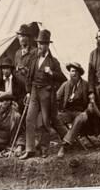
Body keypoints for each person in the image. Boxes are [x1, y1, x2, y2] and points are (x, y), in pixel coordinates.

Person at [20, 29, 68, 159]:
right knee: (29, 118)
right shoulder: (34, 59)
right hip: (34, 91)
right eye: (38, 43)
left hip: (46, 92)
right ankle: (30, 149)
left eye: (42, 44)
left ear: (47, 45)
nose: (39, 46)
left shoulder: (53, 62)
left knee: (46, 121)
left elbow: (63, 78)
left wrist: (52, 73)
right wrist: (28, 92)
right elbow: (29, 76)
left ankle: (44, 148)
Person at [55, 62, 96, 157]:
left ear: (79, 73)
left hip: (81, 112)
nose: (73, 73)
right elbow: (56, 98)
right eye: (71, 71)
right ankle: (70, 138)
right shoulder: (65, 85)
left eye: (75, 71)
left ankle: (65, 145)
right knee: (55, 118)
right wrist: (55, 109)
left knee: (80, 118)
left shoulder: (86, 85)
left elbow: (91, 98)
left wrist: (89, 108)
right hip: (68, 112)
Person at [11, 24, 37, 156]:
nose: (21, 39)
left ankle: (28, 144)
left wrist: (24, 71)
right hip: (19, 91)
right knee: (18, 116)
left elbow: (34, 73)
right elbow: (15, 73)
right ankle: (20, 143)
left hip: (30, 89)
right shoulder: (16, 54)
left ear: (29, 38)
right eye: (20, 36)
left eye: (24, 36)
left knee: (28, 117)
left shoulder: (34, 52)